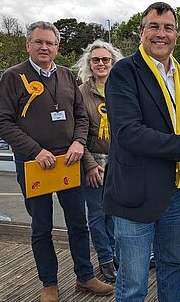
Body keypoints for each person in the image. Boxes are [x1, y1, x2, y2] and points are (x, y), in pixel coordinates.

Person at [0, 21, 114, 302]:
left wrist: (78, 142)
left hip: (68, 162)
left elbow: (81, 117)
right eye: (39, 42)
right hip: (35, 164)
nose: (44, 47)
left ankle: (84, 276)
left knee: (78, 223)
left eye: (50, 43)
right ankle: (49, 283)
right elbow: (1, 122)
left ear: (58, 47)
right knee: (42, 227)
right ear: (28, 45)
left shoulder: (67, 76)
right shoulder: (13, 77)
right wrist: (35, 150)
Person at [102, 2, 180, 302]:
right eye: (154, 26)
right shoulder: (124, 72)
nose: (161, 34)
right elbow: (128, 132)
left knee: (172, 265)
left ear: (176, 34)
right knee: (134, 279)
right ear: (141, 32)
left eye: (168, 28)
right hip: (135, 193)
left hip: (177, 190)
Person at [75, 39, 123, 282]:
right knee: (96, 213)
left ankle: (115, 254)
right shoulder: (81, 92)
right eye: (96, 60)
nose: (101, 63)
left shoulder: (122, 87)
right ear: (89, 63)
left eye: (106, 59)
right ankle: (105, 259)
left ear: (113, 62)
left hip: (119, 162)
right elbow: (76, 132)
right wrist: (90, 165)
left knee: (114, 212)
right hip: (92, 161)